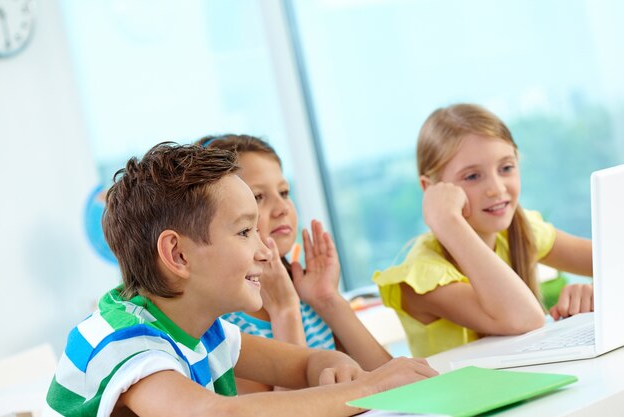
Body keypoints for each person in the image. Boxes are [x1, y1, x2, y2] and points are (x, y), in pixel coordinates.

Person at [44, 142, 436, 417]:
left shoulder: (200, 328)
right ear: (178, 255)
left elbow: (307, 365)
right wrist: (369, 387)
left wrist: (331, 365)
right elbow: (214, 414)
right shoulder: (124, 342)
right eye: (245, 232)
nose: (265, 251)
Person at [373, 103, 594, 358]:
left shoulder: (521, 230)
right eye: (472, 177)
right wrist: (447, 222)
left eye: (506, 168)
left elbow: (613, 262)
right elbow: (523, 318)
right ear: (430, 189)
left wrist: (595, 291)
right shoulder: (423, 276)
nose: (496, 188)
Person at [197, 135, 391, 392]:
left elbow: (389, 379)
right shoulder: (225, 325)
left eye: (284, 192)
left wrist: (328, 300)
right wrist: (284, 312)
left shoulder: (307, 298)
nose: (281, 208)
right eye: (258, 197)